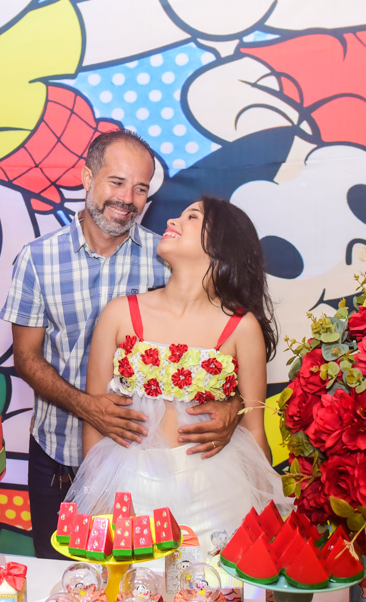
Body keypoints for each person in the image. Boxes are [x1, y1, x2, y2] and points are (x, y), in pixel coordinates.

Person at [1, 130, 243, 559]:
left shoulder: (167, 256)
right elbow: (26, 357)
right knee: (64, 581)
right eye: (116, 182)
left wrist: (231, 403)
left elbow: (214, 341)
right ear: (85, 177)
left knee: (143, 587)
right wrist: (86, 405)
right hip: (57, 455)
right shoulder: (37, 259)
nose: (128, 198)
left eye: (140, 188)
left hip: (143, 465)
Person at [64, 196, 290, 551]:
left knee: (217, 596)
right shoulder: (119, 313)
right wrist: (98, 499)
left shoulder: (242, 328)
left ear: (220, 245)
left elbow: (253, 427)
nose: (173, 219)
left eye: (192, 217)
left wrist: (268, 511)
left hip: (216, 488)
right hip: (128, 484)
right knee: (129, 600)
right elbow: (95, 417)